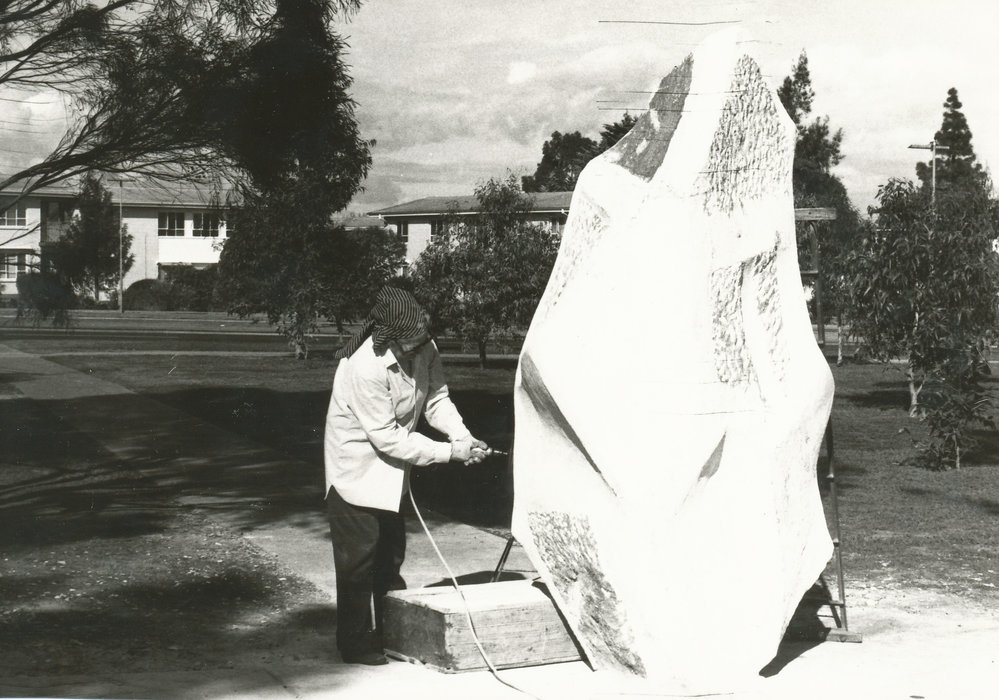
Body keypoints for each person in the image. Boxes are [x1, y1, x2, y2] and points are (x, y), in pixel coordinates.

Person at [324, 286, 489, 665]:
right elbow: (386, 437)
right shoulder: (363, 366)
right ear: (391, 333)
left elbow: (436, 399)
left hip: (393, 472)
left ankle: (392, 633)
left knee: (390, 557)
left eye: (422, 338)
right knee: (357, 565)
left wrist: (463, 437)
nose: (419, 347)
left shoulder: (424, 346)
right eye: (411, 341)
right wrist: (449, 453)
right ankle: (355, 644)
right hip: (356, 471)